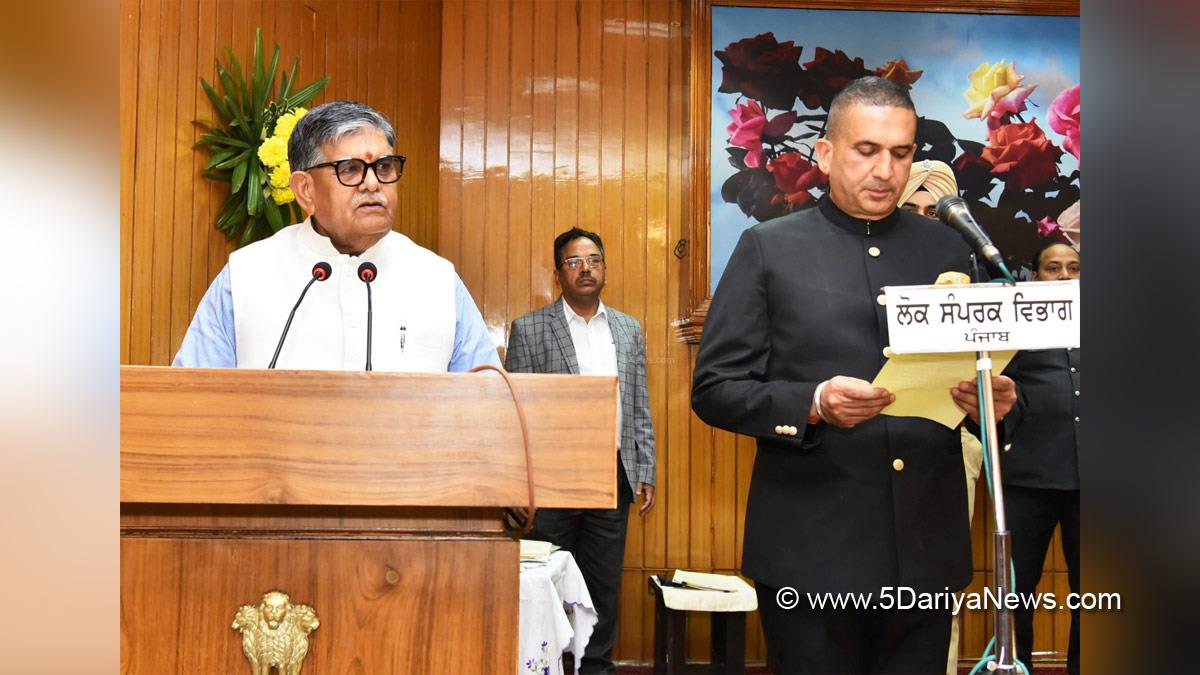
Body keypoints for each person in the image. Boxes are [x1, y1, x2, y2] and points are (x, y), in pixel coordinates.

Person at [691, 76, 1016, 674]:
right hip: (812, 551)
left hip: (925, 549)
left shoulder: (945, 251)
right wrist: (812, 402)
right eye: (867, 150)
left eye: (901, 152)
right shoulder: (768, 248)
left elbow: (969, 376)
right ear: (826, 151)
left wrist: (988, 400)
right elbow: (714, 390)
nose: (886, 170)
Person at [173, 100, 499, 371]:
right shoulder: (247, 275)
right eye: (350, 170)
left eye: (384, 167)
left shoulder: (436, 279)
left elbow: (489, 405)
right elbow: (190, 400)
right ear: (305, 191)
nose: (372, 184)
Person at [505, 227, 656, 675]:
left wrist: (644, 466)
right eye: (574, 261)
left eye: (593, 259)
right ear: (558, 274)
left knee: (602, 586)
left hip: (612, 475)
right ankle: (541, 666)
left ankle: (595, 669)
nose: (585, 267)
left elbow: (639, 403)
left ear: (604, 268)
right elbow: (517, 414)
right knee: (543, 582)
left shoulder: (628, 330)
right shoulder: (530, 329)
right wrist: (519, 482)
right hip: (552, 480)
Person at [898, 158, 984, 675]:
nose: (924, 219)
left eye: (936, 212)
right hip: (867, 448)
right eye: (913, 209)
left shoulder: (967, 271)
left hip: (949, 447)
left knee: (935, 596)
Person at [1001, 240, 1081, 675]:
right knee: (1018, 590)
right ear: (1034, 275)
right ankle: (1017, 666)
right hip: (1027, 475)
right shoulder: (1014, 324)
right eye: (1053, 268)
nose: (1065, 276)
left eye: (1073, 267)